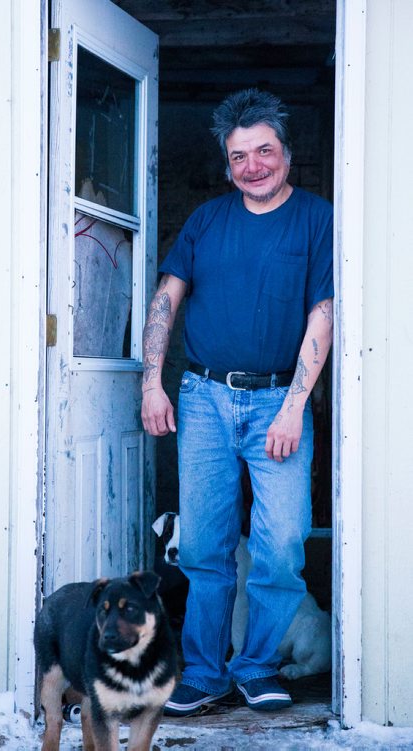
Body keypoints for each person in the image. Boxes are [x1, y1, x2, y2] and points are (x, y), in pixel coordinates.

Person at [141, 89, 333, 715]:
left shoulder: (316, 218)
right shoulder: (205, 221)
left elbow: (323, 313)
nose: (253, 165)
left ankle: (256, 666)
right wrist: (152, 383)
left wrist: (294, 405)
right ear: (227, 165)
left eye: (264, 152)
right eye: (239, 156)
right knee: (203, 547)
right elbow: (165, 302)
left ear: (286, 154)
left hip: (280, 399)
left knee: (280, 546)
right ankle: (203, 671)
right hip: (201, 398)